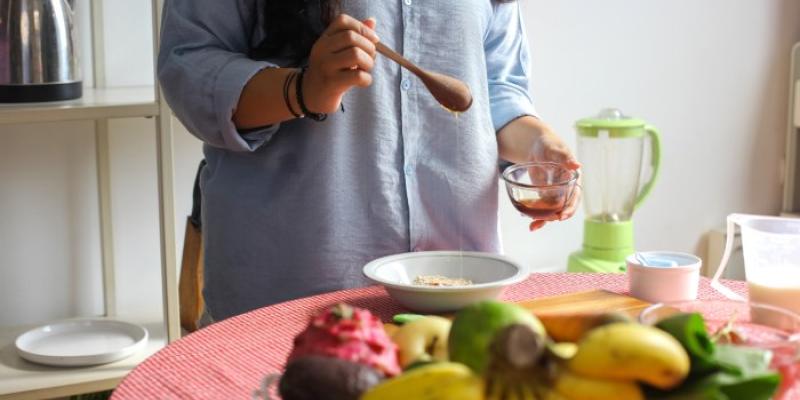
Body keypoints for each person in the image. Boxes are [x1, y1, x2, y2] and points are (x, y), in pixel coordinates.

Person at [158, 0, 581, 322]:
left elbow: (497, 87)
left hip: (457, 287)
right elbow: (189, 64)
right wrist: (302, 90)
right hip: (295, 288)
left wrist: (539, 146)